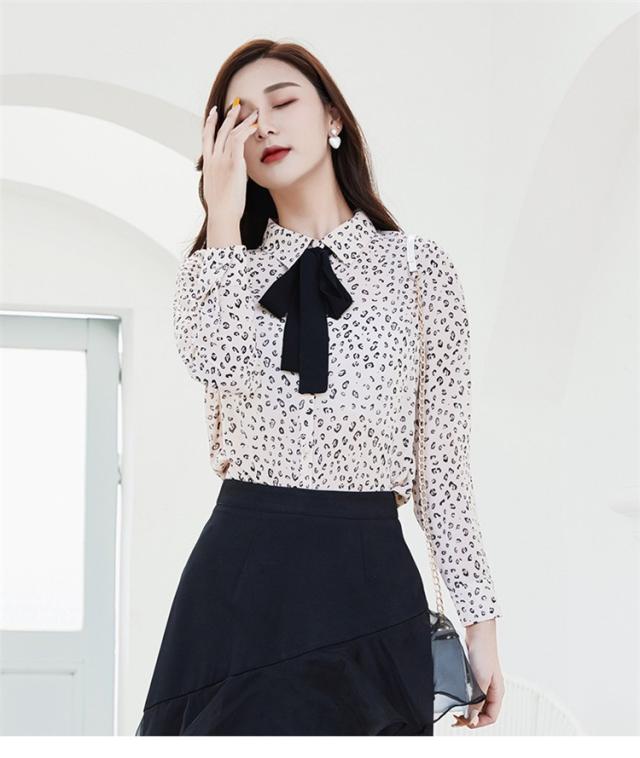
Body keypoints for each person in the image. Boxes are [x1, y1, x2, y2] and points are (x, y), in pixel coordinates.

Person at [135, 39, 505, 736]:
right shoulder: (220, 267)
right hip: (241, 582)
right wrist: (222, 214)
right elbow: (216, 362)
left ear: (333, 116)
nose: (265, 126)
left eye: (283, 102)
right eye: (243, 117)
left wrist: (480, 621)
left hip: (370, 584)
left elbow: (443, 470)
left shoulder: (419, 271)